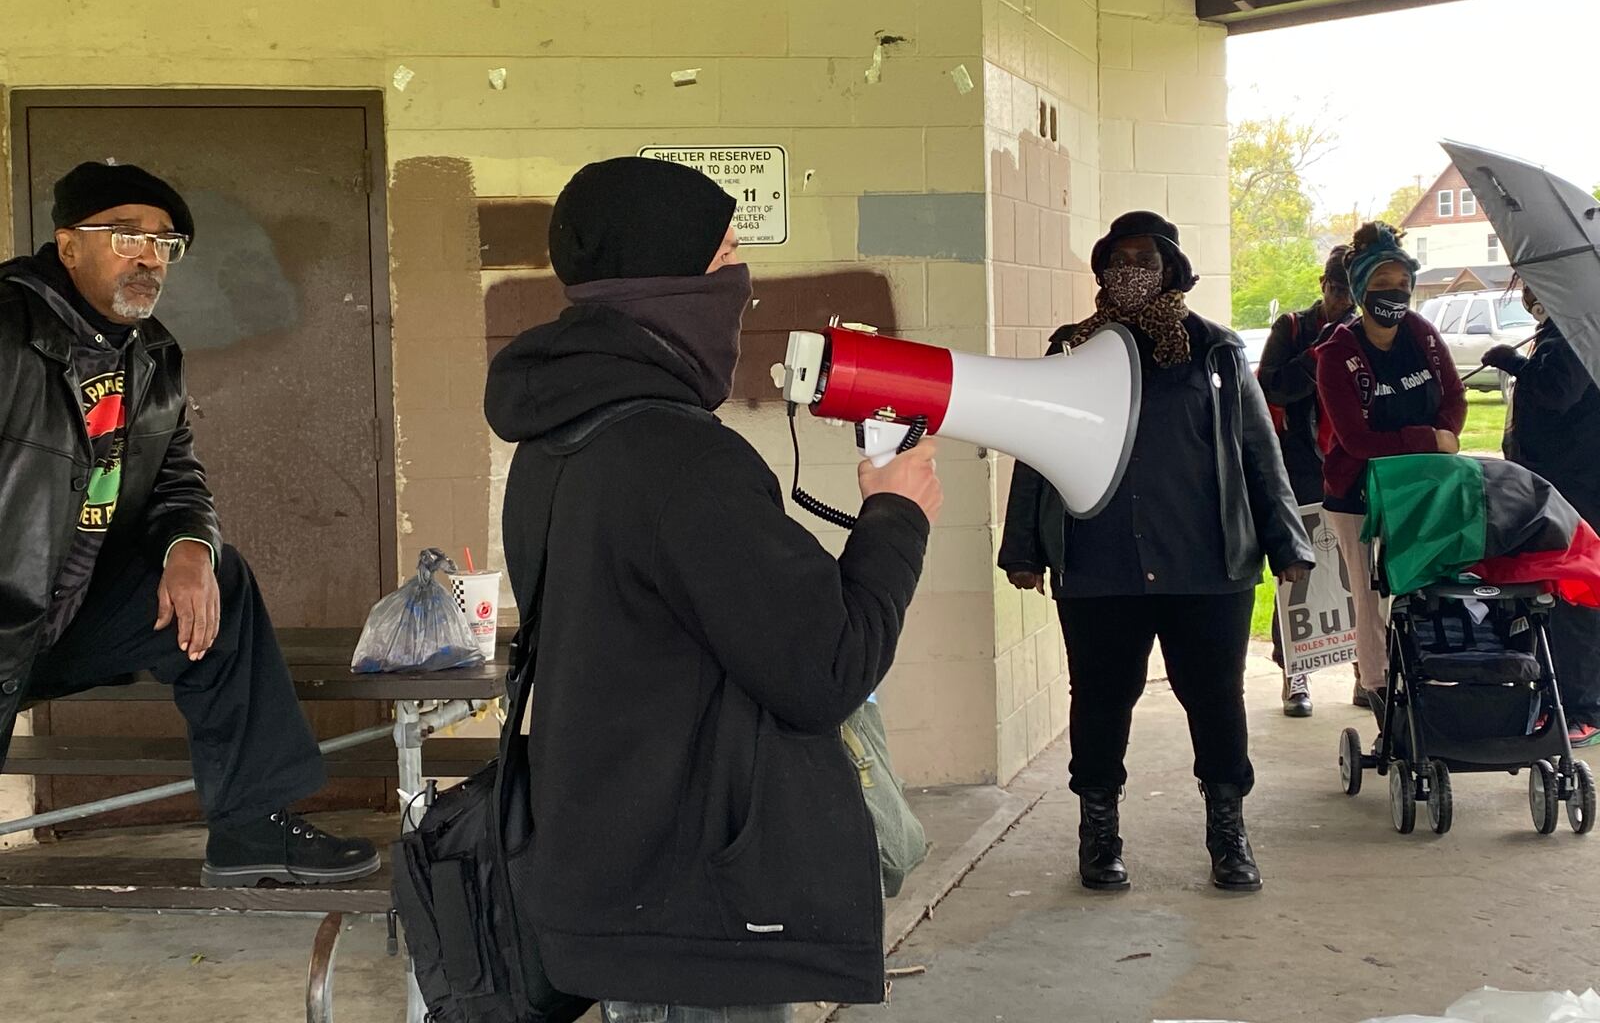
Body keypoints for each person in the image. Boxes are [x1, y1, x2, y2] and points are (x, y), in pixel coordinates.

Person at [484, 156, 942, 1020]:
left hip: (617, 878)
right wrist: (895, 517)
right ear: (667, 281)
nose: (741, 279)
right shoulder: (681, 458)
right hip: (691, 908)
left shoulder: (556, 437)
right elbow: (826, 668)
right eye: (725, 255)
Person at [0, 160, 378, 887]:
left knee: (220, 582)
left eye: (164, 242)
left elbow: (178, 478)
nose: (148, 256)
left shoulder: (153, 357)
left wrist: (187, 548)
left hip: (65, 616)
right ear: (68, 245)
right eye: (125, 235)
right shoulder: (9, 328)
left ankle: (250, 829)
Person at [998, 210, 1313, 895]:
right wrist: (1023, 544)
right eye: (1116, 259)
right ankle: (1099, 833)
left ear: (1171, 268)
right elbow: (1034, 451)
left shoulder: (1218, 353)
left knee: (1215, 700)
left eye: (1143, 258)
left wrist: (1287, 541)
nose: (1128, 271)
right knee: (1102, 700)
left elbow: (1260, 455)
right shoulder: (1070, 351)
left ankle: (1228, 835)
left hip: (1206, 566)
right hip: (1099, 561)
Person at [1315, 223, 1466, 724]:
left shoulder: (1422, 334)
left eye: (1402, 284)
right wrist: (1429, 439)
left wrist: (1440, 437)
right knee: (1371, 596)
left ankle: (1431, 678)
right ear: (1360, 293)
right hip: (1358, 494)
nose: (1394, 295)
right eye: (1381, 286)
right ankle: (1379, 688)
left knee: (1424, 587)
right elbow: (1355, 440)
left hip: (1422, 486)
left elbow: (1454, 398)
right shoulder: (1338, 352)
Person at [1485, 282, 1600, 746]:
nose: (1527, 292)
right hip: (1555, 481)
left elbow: (1557, 390)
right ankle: (1557, 698)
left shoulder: (1576, 329)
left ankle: (1584, 708)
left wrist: (1513, 362)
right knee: (1553, 595)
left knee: (1575, 598)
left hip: (1575, 486)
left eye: (1534, 285)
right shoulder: (1560, 327)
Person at [1257, 246, 1353, 717]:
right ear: (1323, 286)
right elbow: (1269, 387)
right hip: (1301, 465)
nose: (1346, 302)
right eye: (1338, 291)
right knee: (1299, 565)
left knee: (1361, 567)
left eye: (1355, 293)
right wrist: (1319, 356)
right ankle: (1295, 671)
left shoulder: (1374, 330)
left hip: (1354, 463)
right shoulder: (1293, 329)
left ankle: (1365, 667)